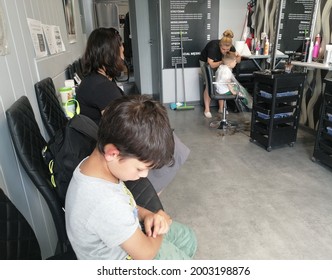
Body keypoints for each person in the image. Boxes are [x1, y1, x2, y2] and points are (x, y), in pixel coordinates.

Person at [65, 95, 197, 260]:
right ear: (112, 153)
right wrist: (160, 228)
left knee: (188, 238)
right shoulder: (104, 202)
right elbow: (146, 254)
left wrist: (146, 215)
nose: (144, 175)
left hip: (129, 231)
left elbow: (125, 205)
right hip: (130, 257)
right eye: (140, 168)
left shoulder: (97, 166)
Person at [76, 27, 190, 194]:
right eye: (121, 53)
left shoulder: (94, 81)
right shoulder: (102, 88)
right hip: (107, 144)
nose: (123, 58)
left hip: (99, 140)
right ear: (110, 54)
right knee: (172, 146)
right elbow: (122, 128)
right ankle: (147, 194)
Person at [199, 29, 241, 118]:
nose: (225, 51)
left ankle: (221, 108)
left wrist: (238, 56)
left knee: (223, 83)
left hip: (222, 64)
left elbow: (237, 60)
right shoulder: (213, 47)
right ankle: (207, 109)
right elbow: (211, 64)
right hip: (207, 63)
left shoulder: (231, 48)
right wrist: (223, 62)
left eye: (227, 49)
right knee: (209, 84)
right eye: (223, 49)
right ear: (220, 45)